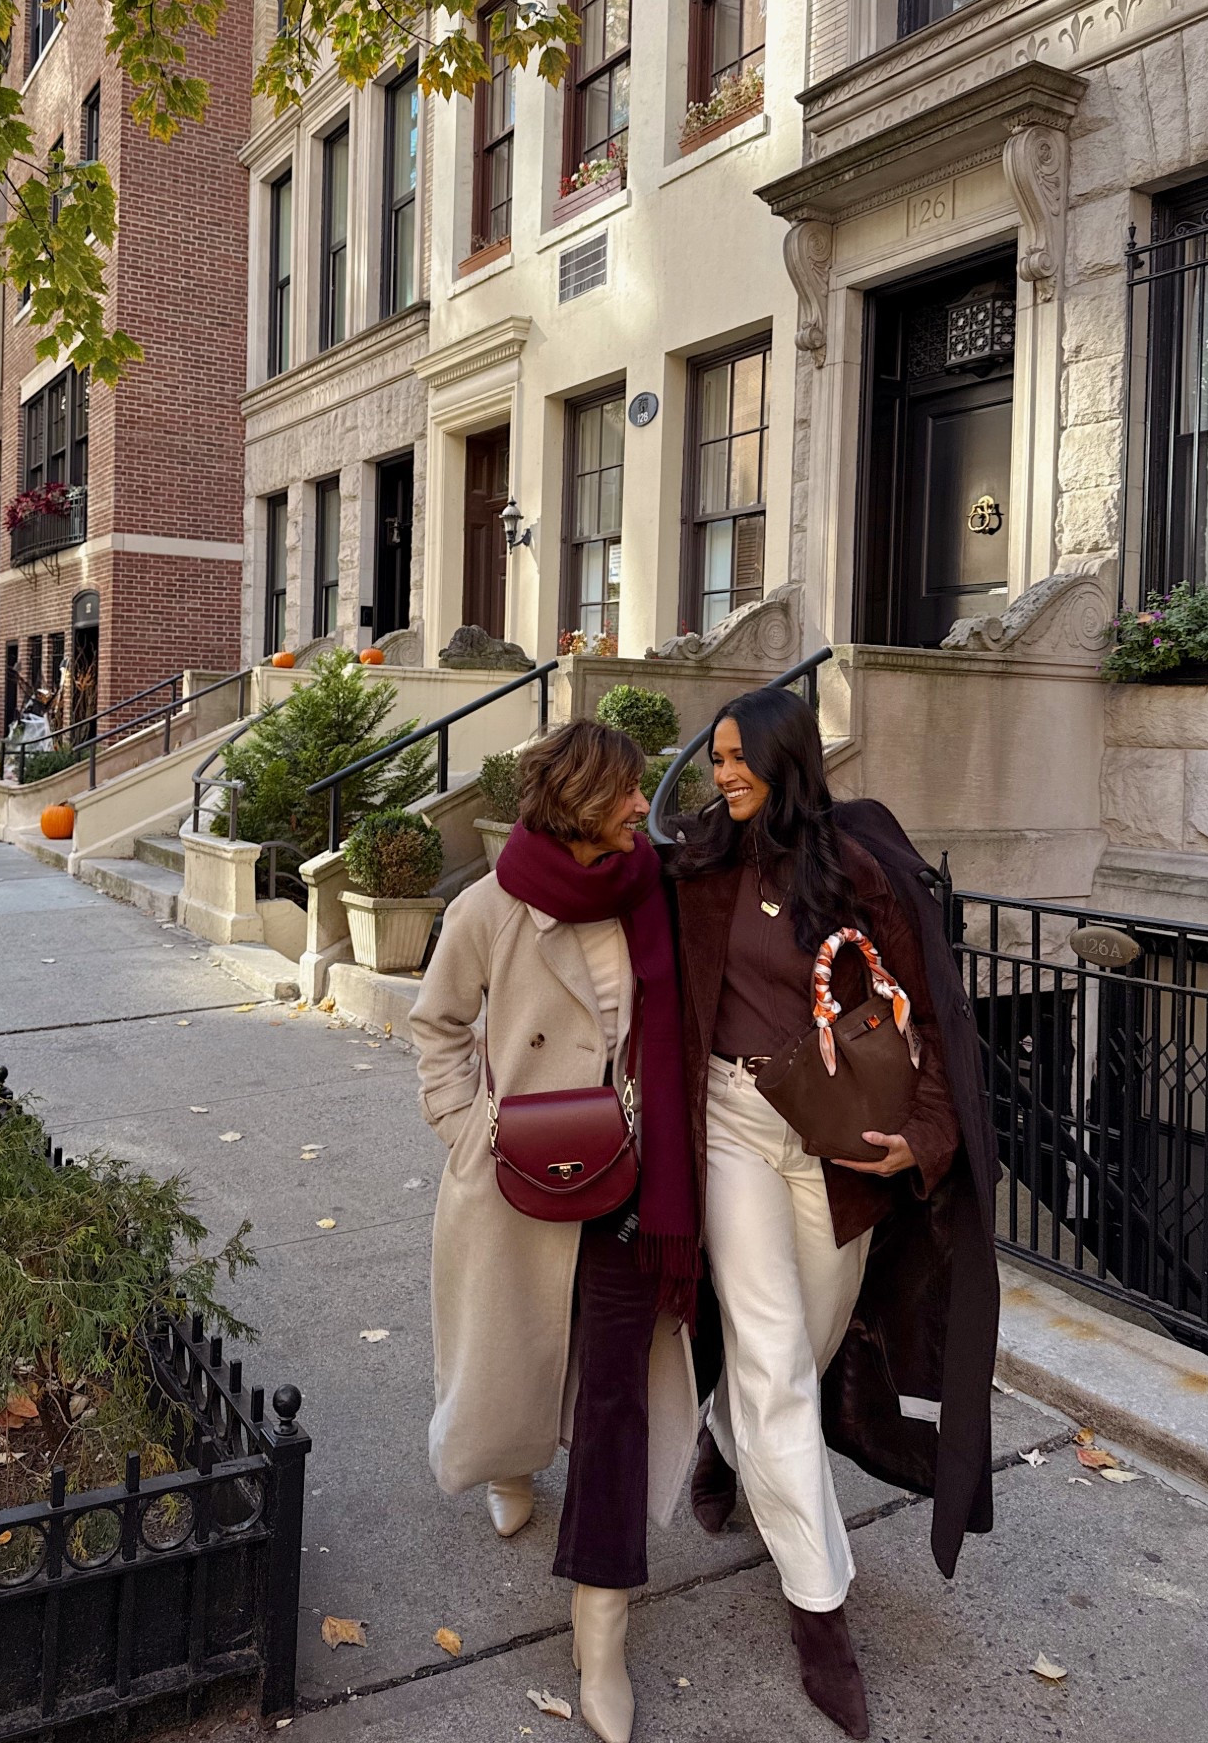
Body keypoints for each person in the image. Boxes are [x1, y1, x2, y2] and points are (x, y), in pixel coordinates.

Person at [669, 685, 997, 1740]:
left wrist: (928, 1133)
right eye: (715, 757)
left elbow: (930, 1009)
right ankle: (820, 1613)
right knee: (772, 1357)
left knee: (801, 1349)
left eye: (737, 757)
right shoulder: (698, 860)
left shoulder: (855, 866)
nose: (721, 772)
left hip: (837, 1145)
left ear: (785, 760)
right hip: (732, 1123)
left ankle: (724, 1439)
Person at [410, 719, 701, 1743]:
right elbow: (437, 1025)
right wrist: (470, 1128)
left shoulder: (650, 891)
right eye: (626, 792)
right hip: (519, 1175)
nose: (643, 806)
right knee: (520, 1351)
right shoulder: (491, 906)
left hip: (633, 1176)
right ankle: (511, 1457)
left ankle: (601, 1623)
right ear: (578, 802)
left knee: (615, 1389)